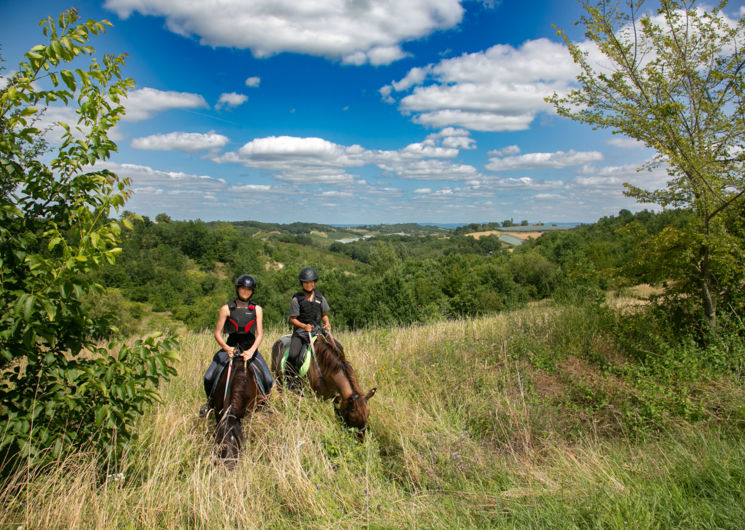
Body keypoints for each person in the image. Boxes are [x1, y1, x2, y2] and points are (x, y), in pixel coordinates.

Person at [200, 274, 273, 415]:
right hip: (230, 347)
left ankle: (265, 404)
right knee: (208, 376)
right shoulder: (226, 309)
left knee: (268, 379)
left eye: (249, 289)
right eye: (242, 288)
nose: (245, 292)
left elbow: (260, 334)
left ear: (252, 291)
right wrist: (227, 348)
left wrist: (252, 351)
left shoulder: (257, 309)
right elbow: (217, 333)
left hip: (250, 348)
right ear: (237, 289)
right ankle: (210, 402)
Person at [287, 267, 338, 372]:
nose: (309, 284)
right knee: (293, 354)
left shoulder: (320, 298)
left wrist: (327, 323)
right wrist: (304, 326)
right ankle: (290, 378)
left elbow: (324, 315)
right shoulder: (296, 299)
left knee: (338, 347)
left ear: (314, 282)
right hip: (301, 333)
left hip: (318, 331)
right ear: (302, 283)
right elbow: (292, 319)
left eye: (311, 282)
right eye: (306, 282)